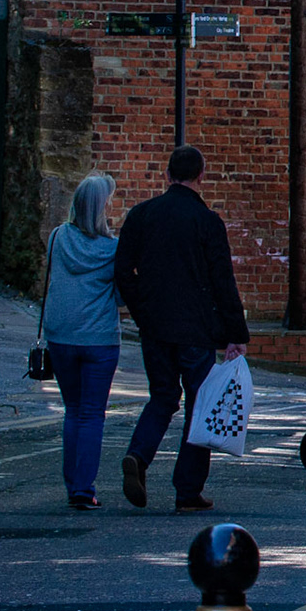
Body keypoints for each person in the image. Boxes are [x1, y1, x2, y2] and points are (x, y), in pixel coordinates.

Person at [115, 146, 249, 512]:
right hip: (196, 329)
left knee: (162, 396)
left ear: (167, 174)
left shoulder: (142, 215)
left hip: (155, 326)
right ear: (201, 175)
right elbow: (223, 281)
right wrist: (236, 334)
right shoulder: (207, 221)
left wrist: (141, 312)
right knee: (199, 405)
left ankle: (138, 455)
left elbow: (123, 271)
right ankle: (187, 491)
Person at [44, 174, 123, 509]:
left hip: (61, 336)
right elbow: (121, 297)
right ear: (102, 208)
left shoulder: (57, 237)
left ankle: (71, 484)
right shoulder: (114, 249)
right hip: (100, 339)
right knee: (92, 413)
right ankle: (83, 488)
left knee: (73, 410)